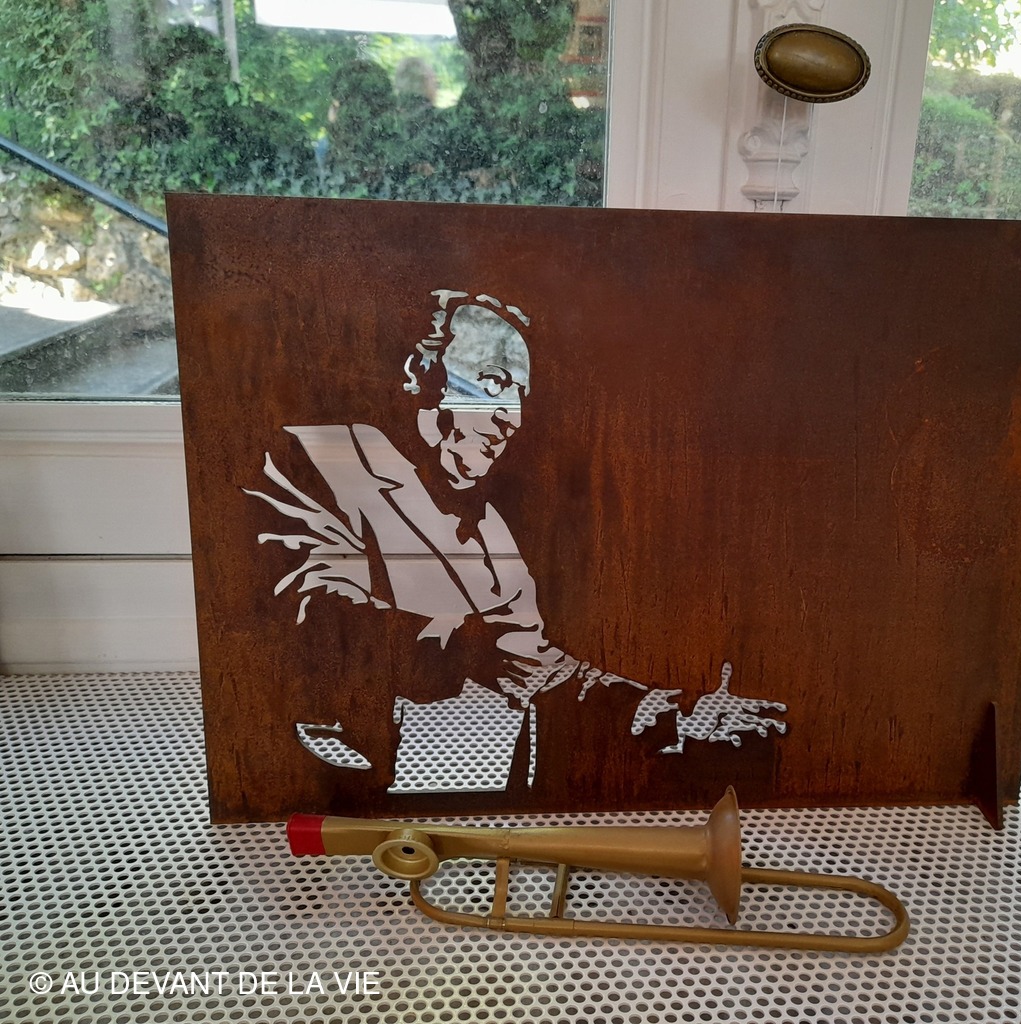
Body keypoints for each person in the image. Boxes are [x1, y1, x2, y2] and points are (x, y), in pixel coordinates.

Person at [246, 289, 786, 795]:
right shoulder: (315, 460)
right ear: (421, 376)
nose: (512, 418)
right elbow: (314, 621)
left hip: (469, 810)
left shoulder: (489, 528)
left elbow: (542, 667)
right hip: (325, 788)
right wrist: (481, 649)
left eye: (519, 397)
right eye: (493, 385)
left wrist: (670, 713)